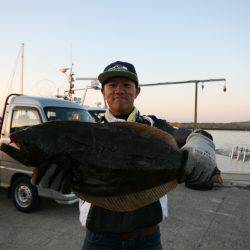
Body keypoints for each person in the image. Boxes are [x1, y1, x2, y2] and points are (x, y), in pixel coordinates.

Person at [79, 61, 221, 250]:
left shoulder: (155, 127)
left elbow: (193, 135)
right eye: (112, 85)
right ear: (103, 92)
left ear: (137, 91)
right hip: (98, 238)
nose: (119, 90)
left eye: (126, 85)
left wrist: (200, 144)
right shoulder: (86, 133)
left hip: (146, 239)